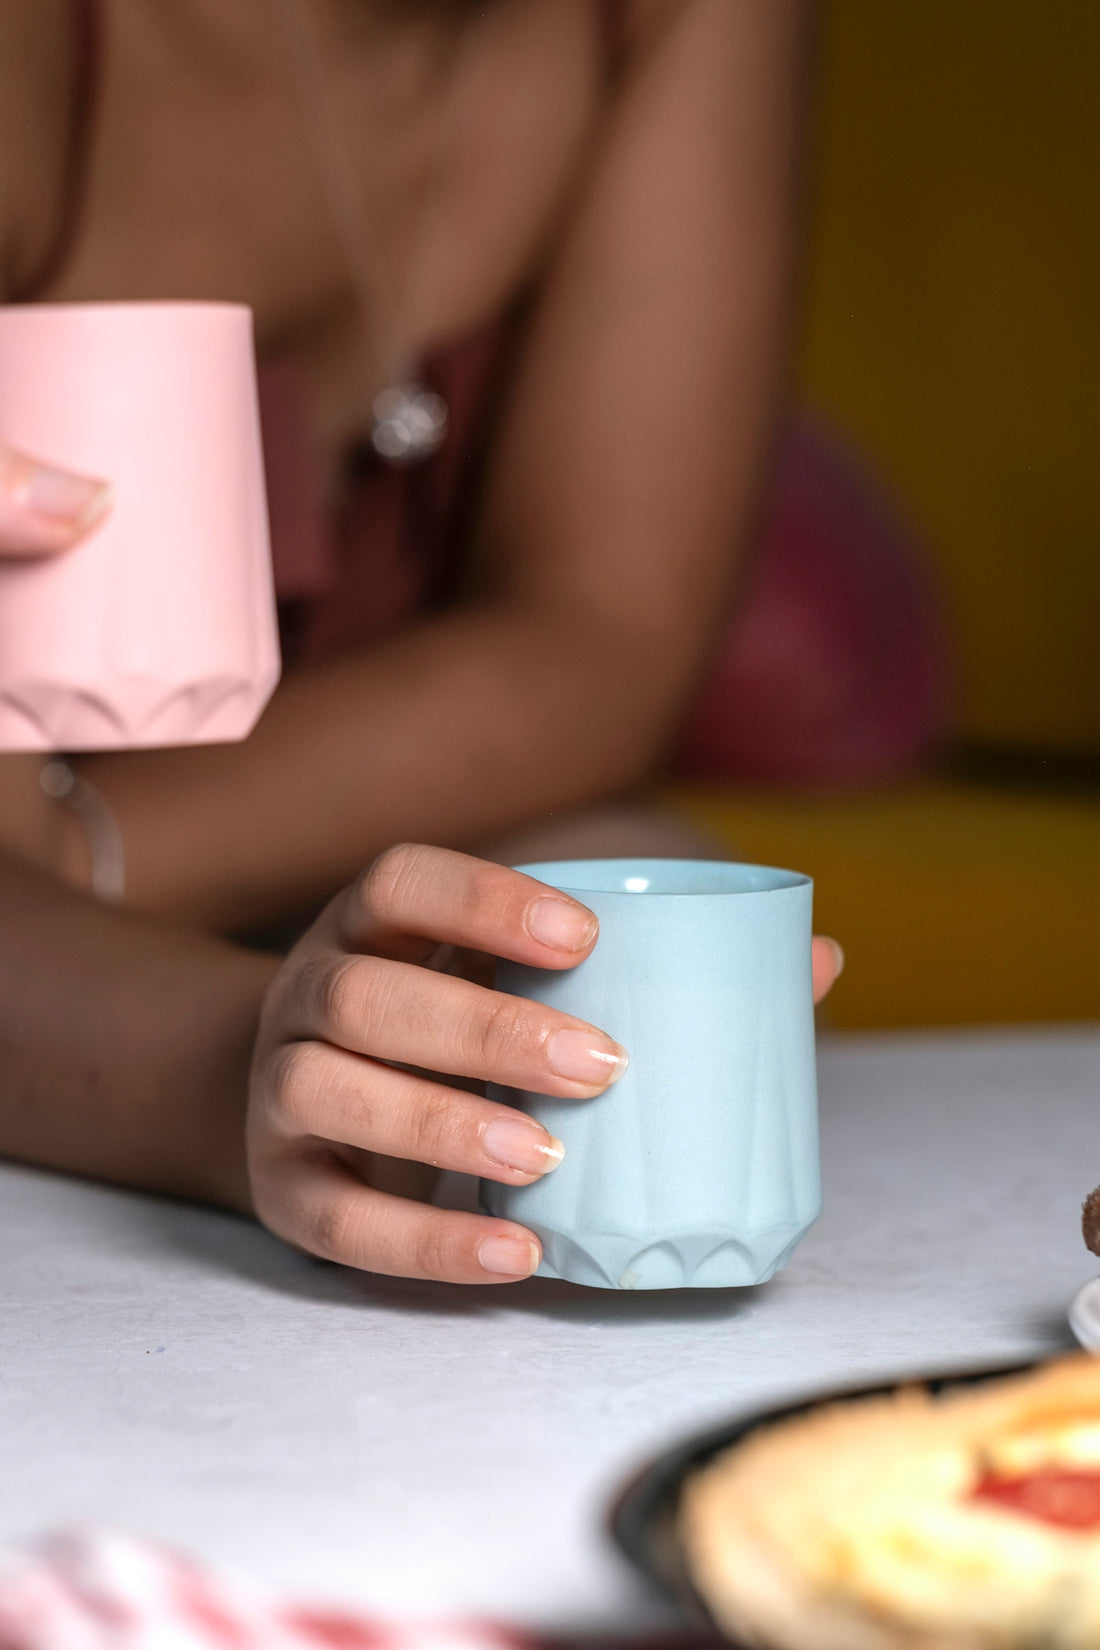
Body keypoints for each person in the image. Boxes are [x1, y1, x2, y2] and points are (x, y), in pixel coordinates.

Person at [0, 0, 850, 1283]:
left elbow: (602, 635)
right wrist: (253, 1070)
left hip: (213, 841)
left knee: (621, 913)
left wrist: (93, 854)